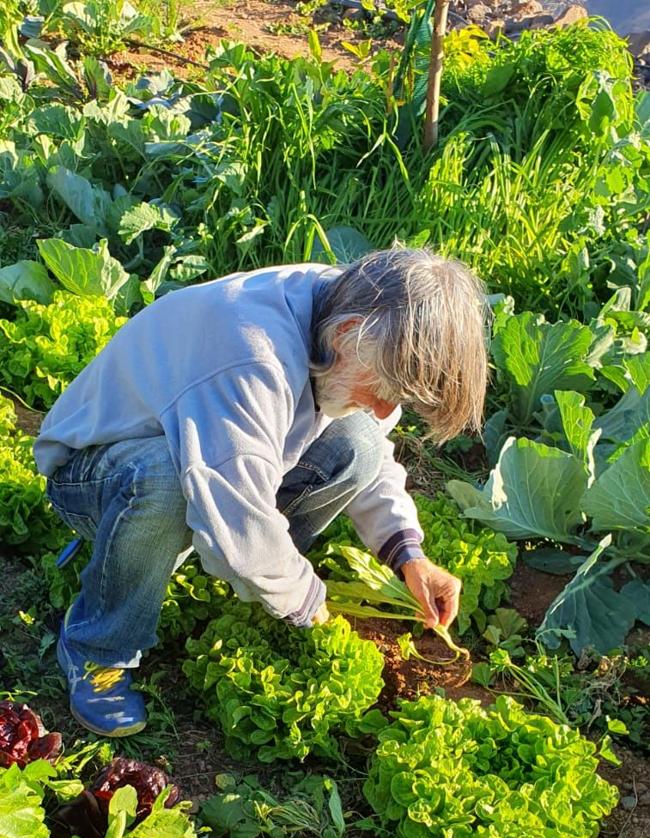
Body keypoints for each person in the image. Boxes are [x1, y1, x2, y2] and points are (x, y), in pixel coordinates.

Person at [33, 247, 488, 738]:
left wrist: (409, 554)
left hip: (213, 453)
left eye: (396, 399)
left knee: (359, 443)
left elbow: (373, 449)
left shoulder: (362, 316)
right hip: (95, 472)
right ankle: (98, 647)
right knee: (167, 480)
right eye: (384, 390)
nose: (384, 408)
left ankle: (250, 569)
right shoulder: (251, 352)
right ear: (344, 334)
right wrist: (308, 602)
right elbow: (237, 509)